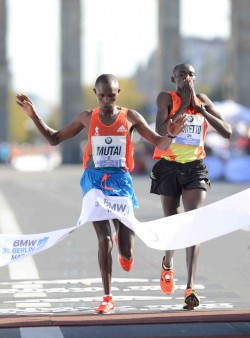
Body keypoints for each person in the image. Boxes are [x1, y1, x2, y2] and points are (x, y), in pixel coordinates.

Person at [16, 74, 187, 314]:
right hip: (94, 182)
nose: (106, 100)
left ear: (118, 94)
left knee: (126, 252)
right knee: (103, 239)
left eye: (111, 95)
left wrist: (171, 134)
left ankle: (124, 244)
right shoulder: (88, 117)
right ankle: (107, 297)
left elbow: (160, 143)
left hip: (120, 182)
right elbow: (54, 139)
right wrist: (34, 116)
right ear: (96, 94)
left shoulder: (131, 117)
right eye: (102, 95)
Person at [150, 64, 232, 310]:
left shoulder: (203, 100)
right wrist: (184, 105)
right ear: (173, 79)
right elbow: (160, 130)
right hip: (169, 166)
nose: (187, 78)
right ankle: (167, 263)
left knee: (194, 223)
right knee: (173, 224)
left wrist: (201, 110)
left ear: (196, 78)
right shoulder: (166, 98)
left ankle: (190, 288)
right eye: (181, 75)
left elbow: (227, 132)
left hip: (195, 167)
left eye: (191, 74)